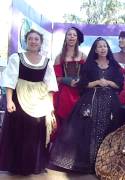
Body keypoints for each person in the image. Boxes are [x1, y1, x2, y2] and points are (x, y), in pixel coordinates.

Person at [50, 37, 124, 173]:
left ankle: (105, 164)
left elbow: (119, 84)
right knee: (88, 131)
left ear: (108, 49)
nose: (102, 49)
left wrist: (107, 82)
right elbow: (83, 84)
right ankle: (89, 164)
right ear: (95, 50)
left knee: (109, 130)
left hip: (110, 103)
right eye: (99, 46)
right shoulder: (89, 65)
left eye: (105, 46)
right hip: (91, 101)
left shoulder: (114, 66)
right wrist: (96, 82)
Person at [0, 29, 58, 175]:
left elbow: (50, 85)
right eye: (30, 38)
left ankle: (34, 165)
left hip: (40, 99)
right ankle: (17, 166)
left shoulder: (47, 61)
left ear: (40, 42)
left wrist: (50, 108)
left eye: (36, 39)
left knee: (36, 132)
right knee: (19, 130)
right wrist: (9, 101)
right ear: (26, 41)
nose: (33, 41)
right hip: (19, 96)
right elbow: (9, 81)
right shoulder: (16, 57)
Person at [53, 26, 87, 129]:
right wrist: (67, 81)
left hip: (80, 93)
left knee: (77, 123)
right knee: (63, 122)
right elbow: (56, 77)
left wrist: (80, 81)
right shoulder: (59, 57)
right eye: (69, 34)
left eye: (74, 35)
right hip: (64, 94)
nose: (72, 37)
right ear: (66, 38)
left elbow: (88, 76)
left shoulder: (83, 56)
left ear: (77, 38)